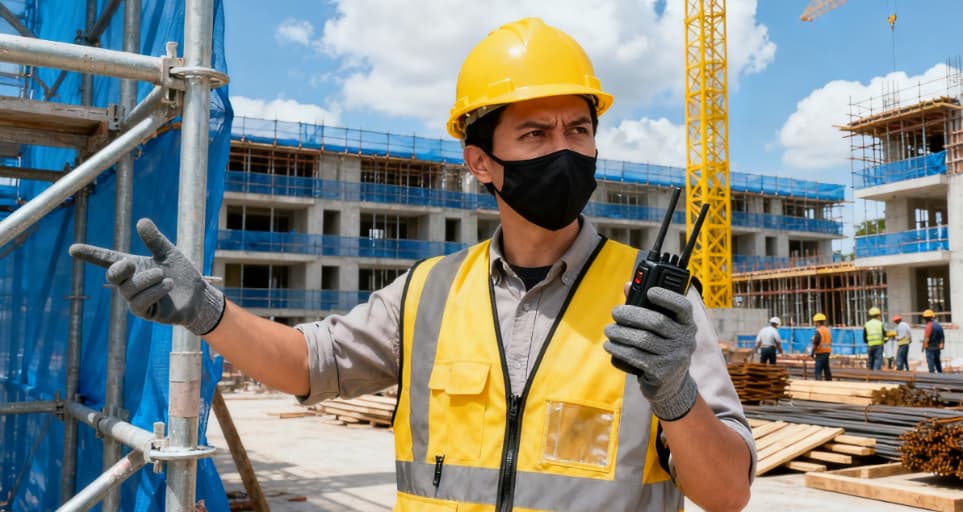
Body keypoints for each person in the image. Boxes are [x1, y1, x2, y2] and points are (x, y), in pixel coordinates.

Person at [69, 17, 754, 511]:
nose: (564, 150)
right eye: (535, 133)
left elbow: (726, 494)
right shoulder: (427, 293)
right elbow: (307, 362)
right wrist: (207, 312)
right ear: (480, 162)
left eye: (579, 130)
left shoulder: (655, 304)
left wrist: (674, 395)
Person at [922, 309, 944, 373]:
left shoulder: (929, 326)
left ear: (926, 318)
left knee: (931, 364)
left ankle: (932, 377)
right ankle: (941, 375)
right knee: (937, 362)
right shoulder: (939, 325)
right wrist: (941, 344)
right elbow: (942, 337)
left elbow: (927, 338)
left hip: (930, 348)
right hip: (937, 347)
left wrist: (924, 346)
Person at [811, 313, 832, 381]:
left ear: (817, 322)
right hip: (827, 352)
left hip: (820, 353)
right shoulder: (827, 330)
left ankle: (818, 384)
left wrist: (812, 353)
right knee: (826, 370)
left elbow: (815, 343)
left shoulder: (818, 331)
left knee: (818, 370)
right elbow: (829, 341)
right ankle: (829, 383)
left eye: (815, 322)